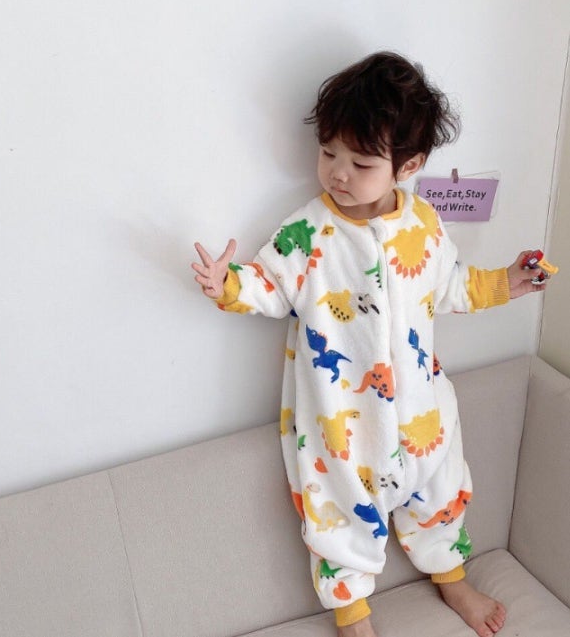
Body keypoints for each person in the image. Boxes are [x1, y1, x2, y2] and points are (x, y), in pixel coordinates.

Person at [191, 51, 545, 637]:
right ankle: (353, 615)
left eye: (360, 162)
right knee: (337, 516)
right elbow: (270, 286)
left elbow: (451, 285)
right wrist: (226, 284)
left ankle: (452, 578)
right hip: (344, 423)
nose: (338, 173)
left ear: (409, 165)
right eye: (328, 152)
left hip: (423, 410)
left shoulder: (424, 223)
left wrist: (508, 282)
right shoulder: (309, 231)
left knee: (441, 488)